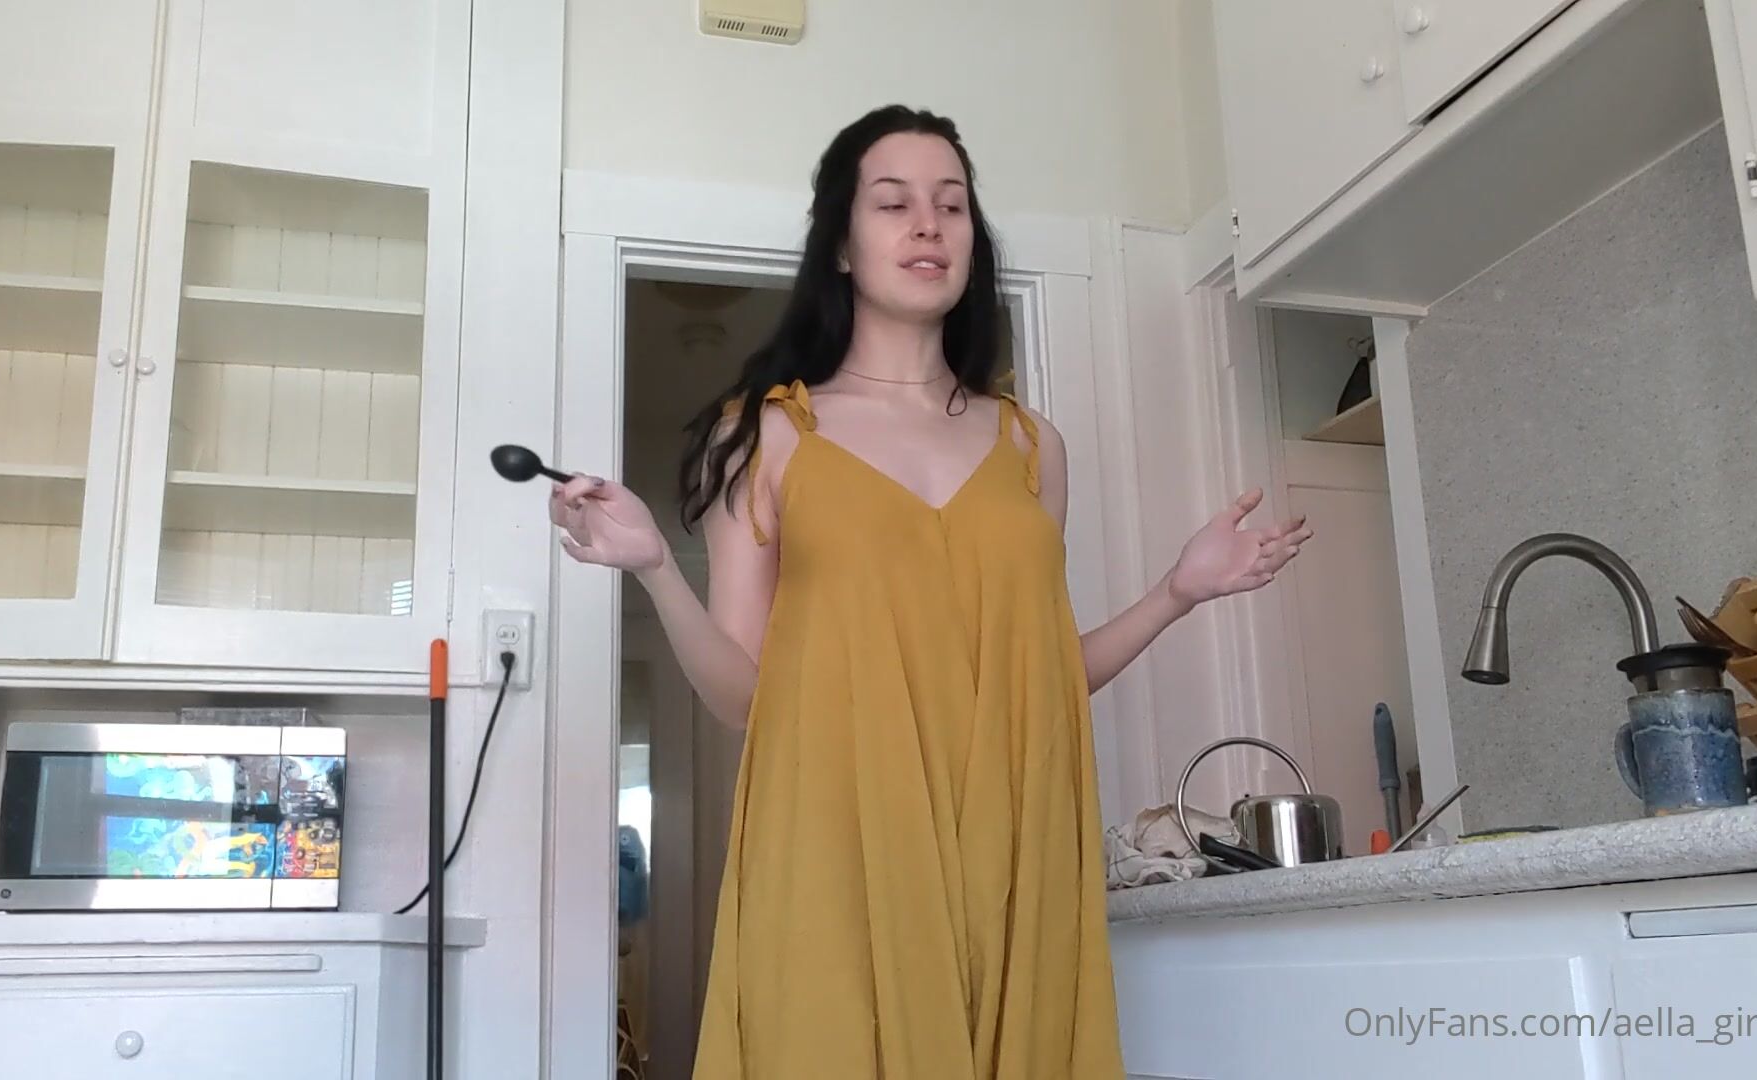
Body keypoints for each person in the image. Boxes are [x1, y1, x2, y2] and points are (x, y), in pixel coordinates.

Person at [549, 105, 1312, 1079]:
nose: (928, 224)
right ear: (841, 244)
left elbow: (1036, 676)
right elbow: (743, 695)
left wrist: (1177, 590)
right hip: (838, 853)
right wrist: (657, 564)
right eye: (894, 202)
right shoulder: (767, 435)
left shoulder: (1033, 447)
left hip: (1014, 859)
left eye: (952, 205)